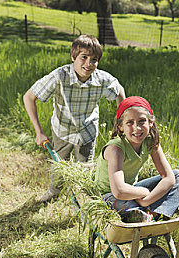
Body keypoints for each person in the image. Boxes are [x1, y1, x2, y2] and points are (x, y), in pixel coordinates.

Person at [23, 34, 126, 203]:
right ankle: (54, 193)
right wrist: (39, 132)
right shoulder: (59, 77)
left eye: (94, 59)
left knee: (85, 168)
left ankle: (86, 199)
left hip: (87, 132)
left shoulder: (102, 79)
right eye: (83, 57)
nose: (88, 63)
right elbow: (29, 97)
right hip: (63, 130)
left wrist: (120, 122)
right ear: (73, 57)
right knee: (59, 165)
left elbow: (119, 91)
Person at [94, 96, 179, 223]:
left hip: (134, 191)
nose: (136, 128)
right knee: (124, 205)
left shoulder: (151, 142)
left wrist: (145, 200)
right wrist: (144, 192)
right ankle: (148, 213)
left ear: (150, 123)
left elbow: (169, 178)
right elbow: (119, 191)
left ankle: (153, 213)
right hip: (109, 195)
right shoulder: (116, 149)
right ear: (121, 126)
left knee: (178, 176)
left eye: (142, 121)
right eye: (130, 122)